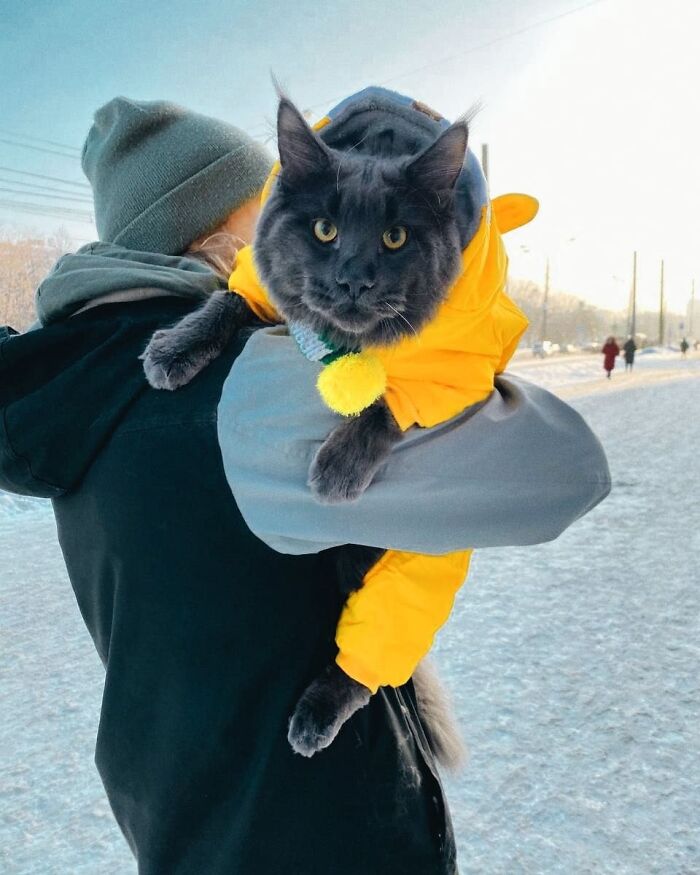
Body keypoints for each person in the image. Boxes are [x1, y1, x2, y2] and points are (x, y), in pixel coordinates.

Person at [0, 97, 610, 874]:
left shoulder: (68, 388)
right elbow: (566, 470)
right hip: (333, 833)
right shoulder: (251, 390)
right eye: (272, 205)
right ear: (222, 234)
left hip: (179, 823)